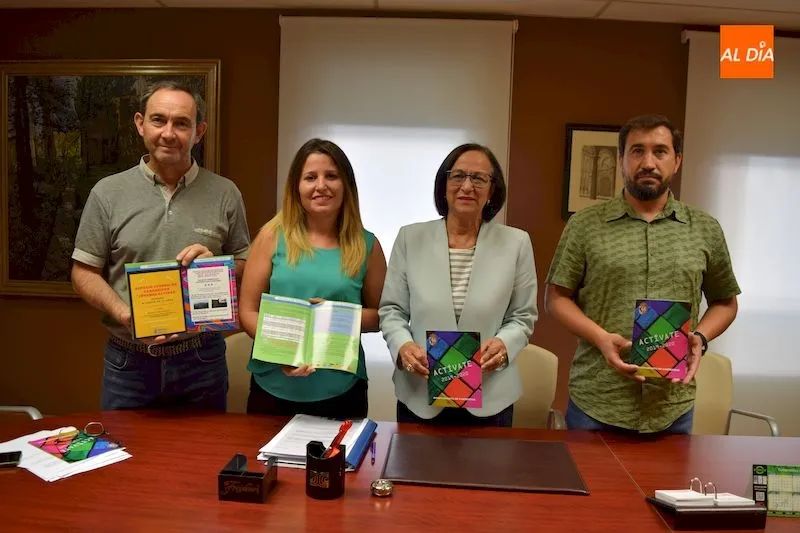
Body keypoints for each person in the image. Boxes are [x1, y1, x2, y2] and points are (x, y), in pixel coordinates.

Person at [545, 114, 740, 435]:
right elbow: (556, 299)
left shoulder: (705, 229)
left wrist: (700, 338)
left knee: (667, 488)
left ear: (676, 161)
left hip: (671, 404)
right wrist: (601, 338)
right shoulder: (585, 224)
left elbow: (725, 302)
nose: (648, 162)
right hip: (597, 399)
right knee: (593, 486)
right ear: (621, 159)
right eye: (637, 151)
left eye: (660, 151)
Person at [71, 80, 251, 412]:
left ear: (199, 132)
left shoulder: (226, 193)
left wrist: (217, 265)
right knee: (123, 459)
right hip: (128, 362)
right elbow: (83, 272)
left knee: (201, 459)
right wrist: (125, 314)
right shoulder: (107, 193)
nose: (168, 132)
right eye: (159, 120)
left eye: (181, 123)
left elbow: (245, 263)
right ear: (140, 123)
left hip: (201, 358)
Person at [379, 143, 538, 427]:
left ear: (492, 190)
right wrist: (403, 346)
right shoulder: (409, 238)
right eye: (458, 176)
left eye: (478, 178)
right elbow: (392, 310)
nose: (467, 186)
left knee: (488, 473)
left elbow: (522, 316)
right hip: (420, 393)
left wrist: (504, 344)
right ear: (444, 185)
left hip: (491, 397)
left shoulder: (517, 243)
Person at [239, 138, 386, 419]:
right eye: (310, 177)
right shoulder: (271, 236)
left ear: (347, 186)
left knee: (337, 464)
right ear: (297, 186)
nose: (321, 185)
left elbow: (381, 316)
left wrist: (335, 316)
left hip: (342, 389)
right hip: (273, 385)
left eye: (332, 176)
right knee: (266, 464)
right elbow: (247, 311)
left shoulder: (367, 246)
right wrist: (284, 352)